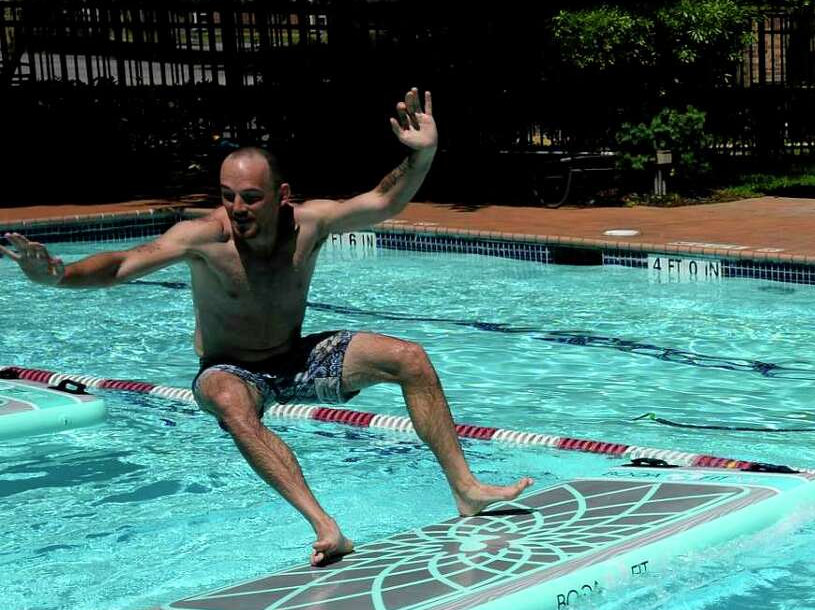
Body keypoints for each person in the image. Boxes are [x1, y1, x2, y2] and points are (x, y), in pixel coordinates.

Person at [2, 89, 531, 568]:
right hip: (229, 368)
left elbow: (383, 201)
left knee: (410, 357)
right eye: (228, 195)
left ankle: (466, 488)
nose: (236, 208)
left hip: (293, 357)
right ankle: (326, 526)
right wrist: (56, 275)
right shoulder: (203, 238)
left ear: (281, 195)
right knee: (230, 400)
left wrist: (423, 153)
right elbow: (121, 265)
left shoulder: (312, 223)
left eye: (250, 197)